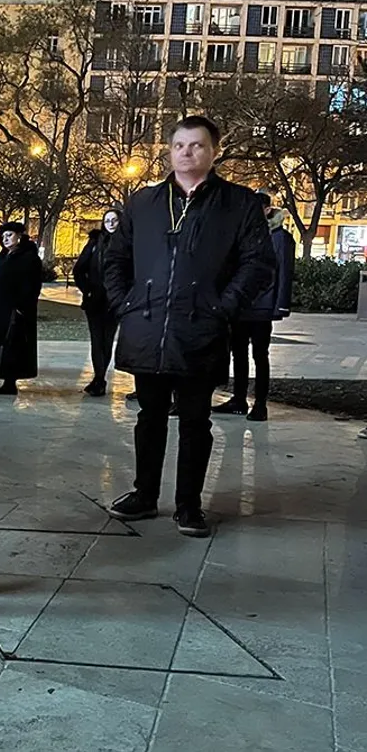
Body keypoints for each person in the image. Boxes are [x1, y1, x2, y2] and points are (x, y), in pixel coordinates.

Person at [103, 116, 275, 538]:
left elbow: (258, 263)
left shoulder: (238, 204)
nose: (186, 152)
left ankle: (188, 504)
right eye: (179, 145)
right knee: (150, 416)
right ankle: (144, 494)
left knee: (196, 420)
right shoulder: (143, 203)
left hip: (201, 330)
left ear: (214, 151)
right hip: (147, 327)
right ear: (169, 150)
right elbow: (116, 260)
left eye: (196, 145)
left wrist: (224, 305)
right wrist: (125, 302)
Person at [213, 192, 295, 421]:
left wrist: (280, 306)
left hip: (262, 307)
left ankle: (260, 404)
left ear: (268, 209)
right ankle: (238, 399)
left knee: (260, 355)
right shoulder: (243, 234)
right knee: (238, 354)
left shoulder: (279, 237)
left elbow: (284, 273)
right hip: (241, 306)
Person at [0, 223, 42, 396]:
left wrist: (21, 307)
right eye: (3, 236)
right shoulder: (3, 256)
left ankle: (9, 382)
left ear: (19, 236)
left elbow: (32, 286)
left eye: (9, 235)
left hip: (13, 310)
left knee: (10, 345)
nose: (5, 239)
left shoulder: (28, 258)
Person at [73, 209, 123, 396]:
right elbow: (79, 269)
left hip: (114, 301)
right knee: (96, 340)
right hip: (95, 300)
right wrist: (88, 289)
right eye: (107, 220)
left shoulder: (127, 243)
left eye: (114, 220)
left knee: (107, 341)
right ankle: (99, 378)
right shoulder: (95, 242)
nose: (110, 224)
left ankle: (100, 378)